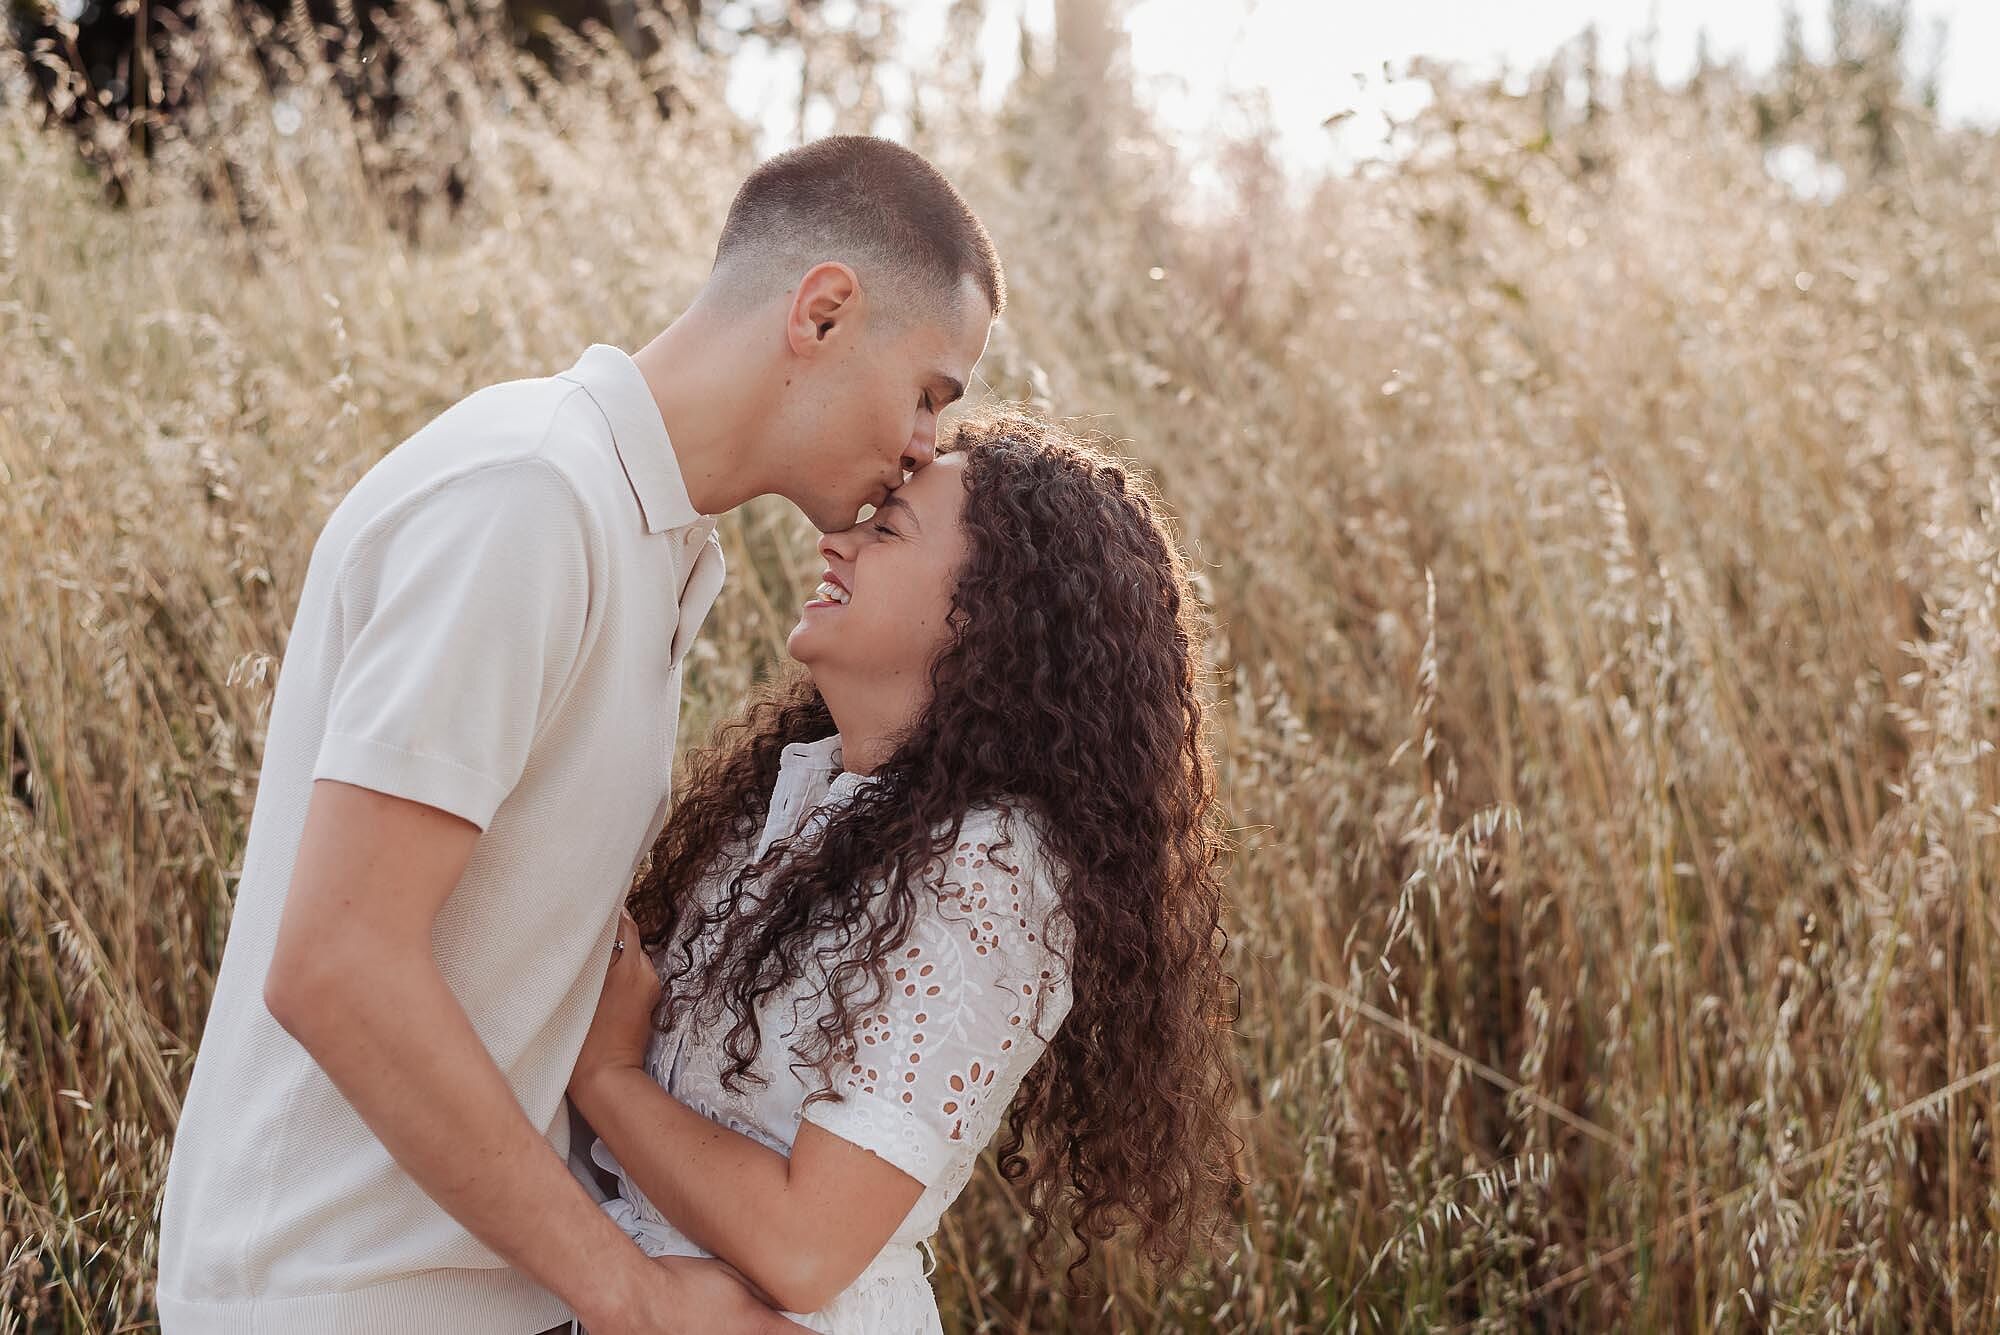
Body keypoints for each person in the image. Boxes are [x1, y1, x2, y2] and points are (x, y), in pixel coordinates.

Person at [154, 135, 1002, 1335]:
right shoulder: (528, 497)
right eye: (928, 391)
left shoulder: (648, 543)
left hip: (472, 1292)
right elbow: (339, 961)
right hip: (336, 1295)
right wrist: (633, 1297)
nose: (926, 444)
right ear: (820, 313)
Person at [564, 408, 1241, 1332]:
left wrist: (607, 1074)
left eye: (885, 530)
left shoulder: (992, 870)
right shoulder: (798, 794)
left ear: (990, 617)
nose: (835, 539)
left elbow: (808, 1248)